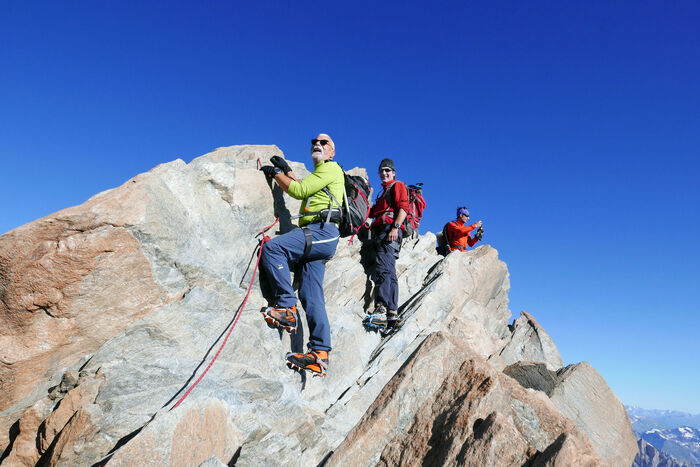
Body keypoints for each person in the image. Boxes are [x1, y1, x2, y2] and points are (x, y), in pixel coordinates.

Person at [258, 133, 344, 377]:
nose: (317, 144)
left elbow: (298, 191)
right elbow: (306, 190)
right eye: (314, 142)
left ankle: (286, 307)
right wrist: (286, 171)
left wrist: (276, 174)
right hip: (319, 236)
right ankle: (320, 354)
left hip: (321, 231)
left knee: (273, 248)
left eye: (323, 143)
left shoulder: (331, 168)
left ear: (332, 152)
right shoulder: (322, 174)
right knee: (311, 294)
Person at [367, 158, 409, 326]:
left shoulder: (397, 186)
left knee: (383, 268)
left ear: (393, 173)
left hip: (388, 230)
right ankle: (392, 312)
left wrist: (395, 228)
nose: (384, 173)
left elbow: (404, 208)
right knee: (389, 270)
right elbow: (372, 213)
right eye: (382, 171)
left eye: (387, 170)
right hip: (385, 230)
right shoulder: (383, 192)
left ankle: (381, 308)